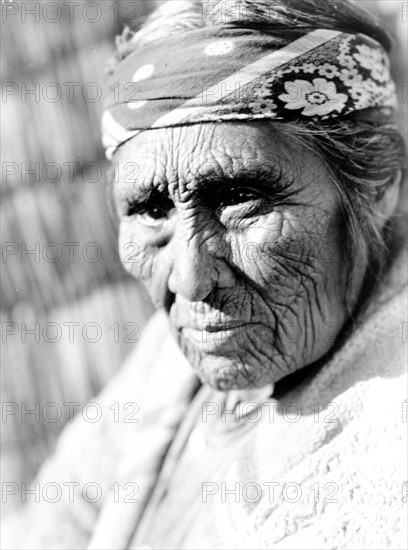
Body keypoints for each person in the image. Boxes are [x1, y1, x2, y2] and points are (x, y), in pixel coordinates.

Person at [5, 0, 407, 548]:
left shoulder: (384, 452)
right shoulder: (173, 355)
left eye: (242, 198)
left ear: (379, 183)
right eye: (150, 209)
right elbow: (62, 514)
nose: (190, 280)